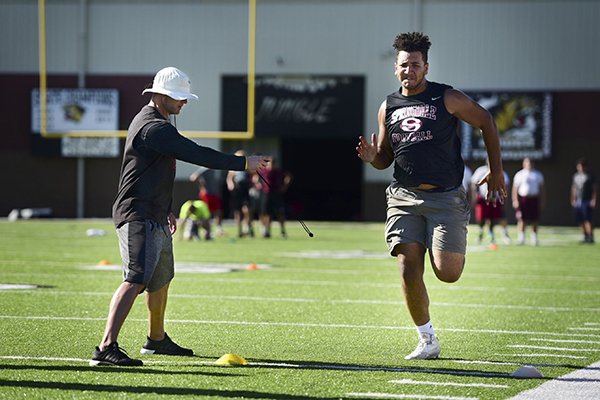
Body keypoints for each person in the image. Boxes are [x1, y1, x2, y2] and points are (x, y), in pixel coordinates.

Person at [91, 67, 270, 367]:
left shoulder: (160, 124)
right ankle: (106, 346)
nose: (183, 104)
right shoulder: (154, 127)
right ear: (159, 95)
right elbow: (196, 153)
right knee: (135, 278)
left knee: (160, 280)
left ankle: (156, 339)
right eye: (178, 98)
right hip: (137, 214)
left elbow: (155, 172)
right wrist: (243, 163)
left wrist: (167, 207)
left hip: (155, 212)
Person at [356, 32, 506, 360]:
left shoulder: (446, 98)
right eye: (403, 66)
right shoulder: (388, 106)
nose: (408, 70)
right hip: (403, 197)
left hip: (445, 197)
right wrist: (372, 158)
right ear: (395, 69)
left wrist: (495, 171)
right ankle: (427, 339)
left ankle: (442, 245)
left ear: (426, 66)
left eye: (415, 65)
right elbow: (385, 158)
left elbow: (486, 121)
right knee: (408, 268)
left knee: (447, 272)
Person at [471, 163, 511, 245]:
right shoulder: (480, 170)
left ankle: (492, 234)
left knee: (493, 217)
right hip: (483, 198)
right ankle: (481, 233)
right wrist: (475, 194)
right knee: (481, 217)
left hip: (495, 198)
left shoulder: (500, 171)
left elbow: (505, 185)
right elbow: (474, 183)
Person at [512, 157, 545, 245]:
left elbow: (542, 189)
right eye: (527, 163)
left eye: (530, 162)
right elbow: (515, 189)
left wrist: (542, 201)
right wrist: (515, 200)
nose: (529, 164)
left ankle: (534, 238)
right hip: (523, 199)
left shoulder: (538, 175)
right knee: (522, 219)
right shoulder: (519, 174)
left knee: (535, 219)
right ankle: (521, 238)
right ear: (523, 164)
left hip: (534, 198)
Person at [257, 158, 293, 239]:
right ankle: (267, 231)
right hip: (266, 194)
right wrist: (258, 184)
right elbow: (255, 176)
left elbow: (288, 176)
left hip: (276, 194)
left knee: (280, 212)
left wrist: (284, 186)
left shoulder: (278, 171)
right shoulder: (263, 170)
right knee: (266, 213)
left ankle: (283, 231)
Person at [226, 150, 254, 238]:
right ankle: (239, 230)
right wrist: (230, 184)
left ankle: (248, 227)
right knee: (237, 211)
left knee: (246, 209)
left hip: (245, 188)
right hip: (237, 189)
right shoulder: (233, 167)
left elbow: (253, 175)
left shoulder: (247, 167)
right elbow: (229, 178)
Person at [189, 167, 225, 237]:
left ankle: (218, 229)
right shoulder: (206, 168)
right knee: (206, 213)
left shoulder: (219, 168)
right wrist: (202, 187)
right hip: (207, 194)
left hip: (215, 193)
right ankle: (206, 230)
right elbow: (193, 177)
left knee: (218, 211)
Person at [571, 158, 597, 244]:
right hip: (579, 200)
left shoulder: (589, 176)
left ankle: (590, 236)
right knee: (580, 219)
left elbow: (594, 189)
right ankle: (585, 236)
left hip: (587, 200)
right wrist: (573, 198)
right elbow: (574, 188)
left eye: (582, 166)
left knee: (587, 219)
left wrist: (593, 199)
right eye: (578, 166)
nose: (580, 168)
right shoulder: (576, 176)